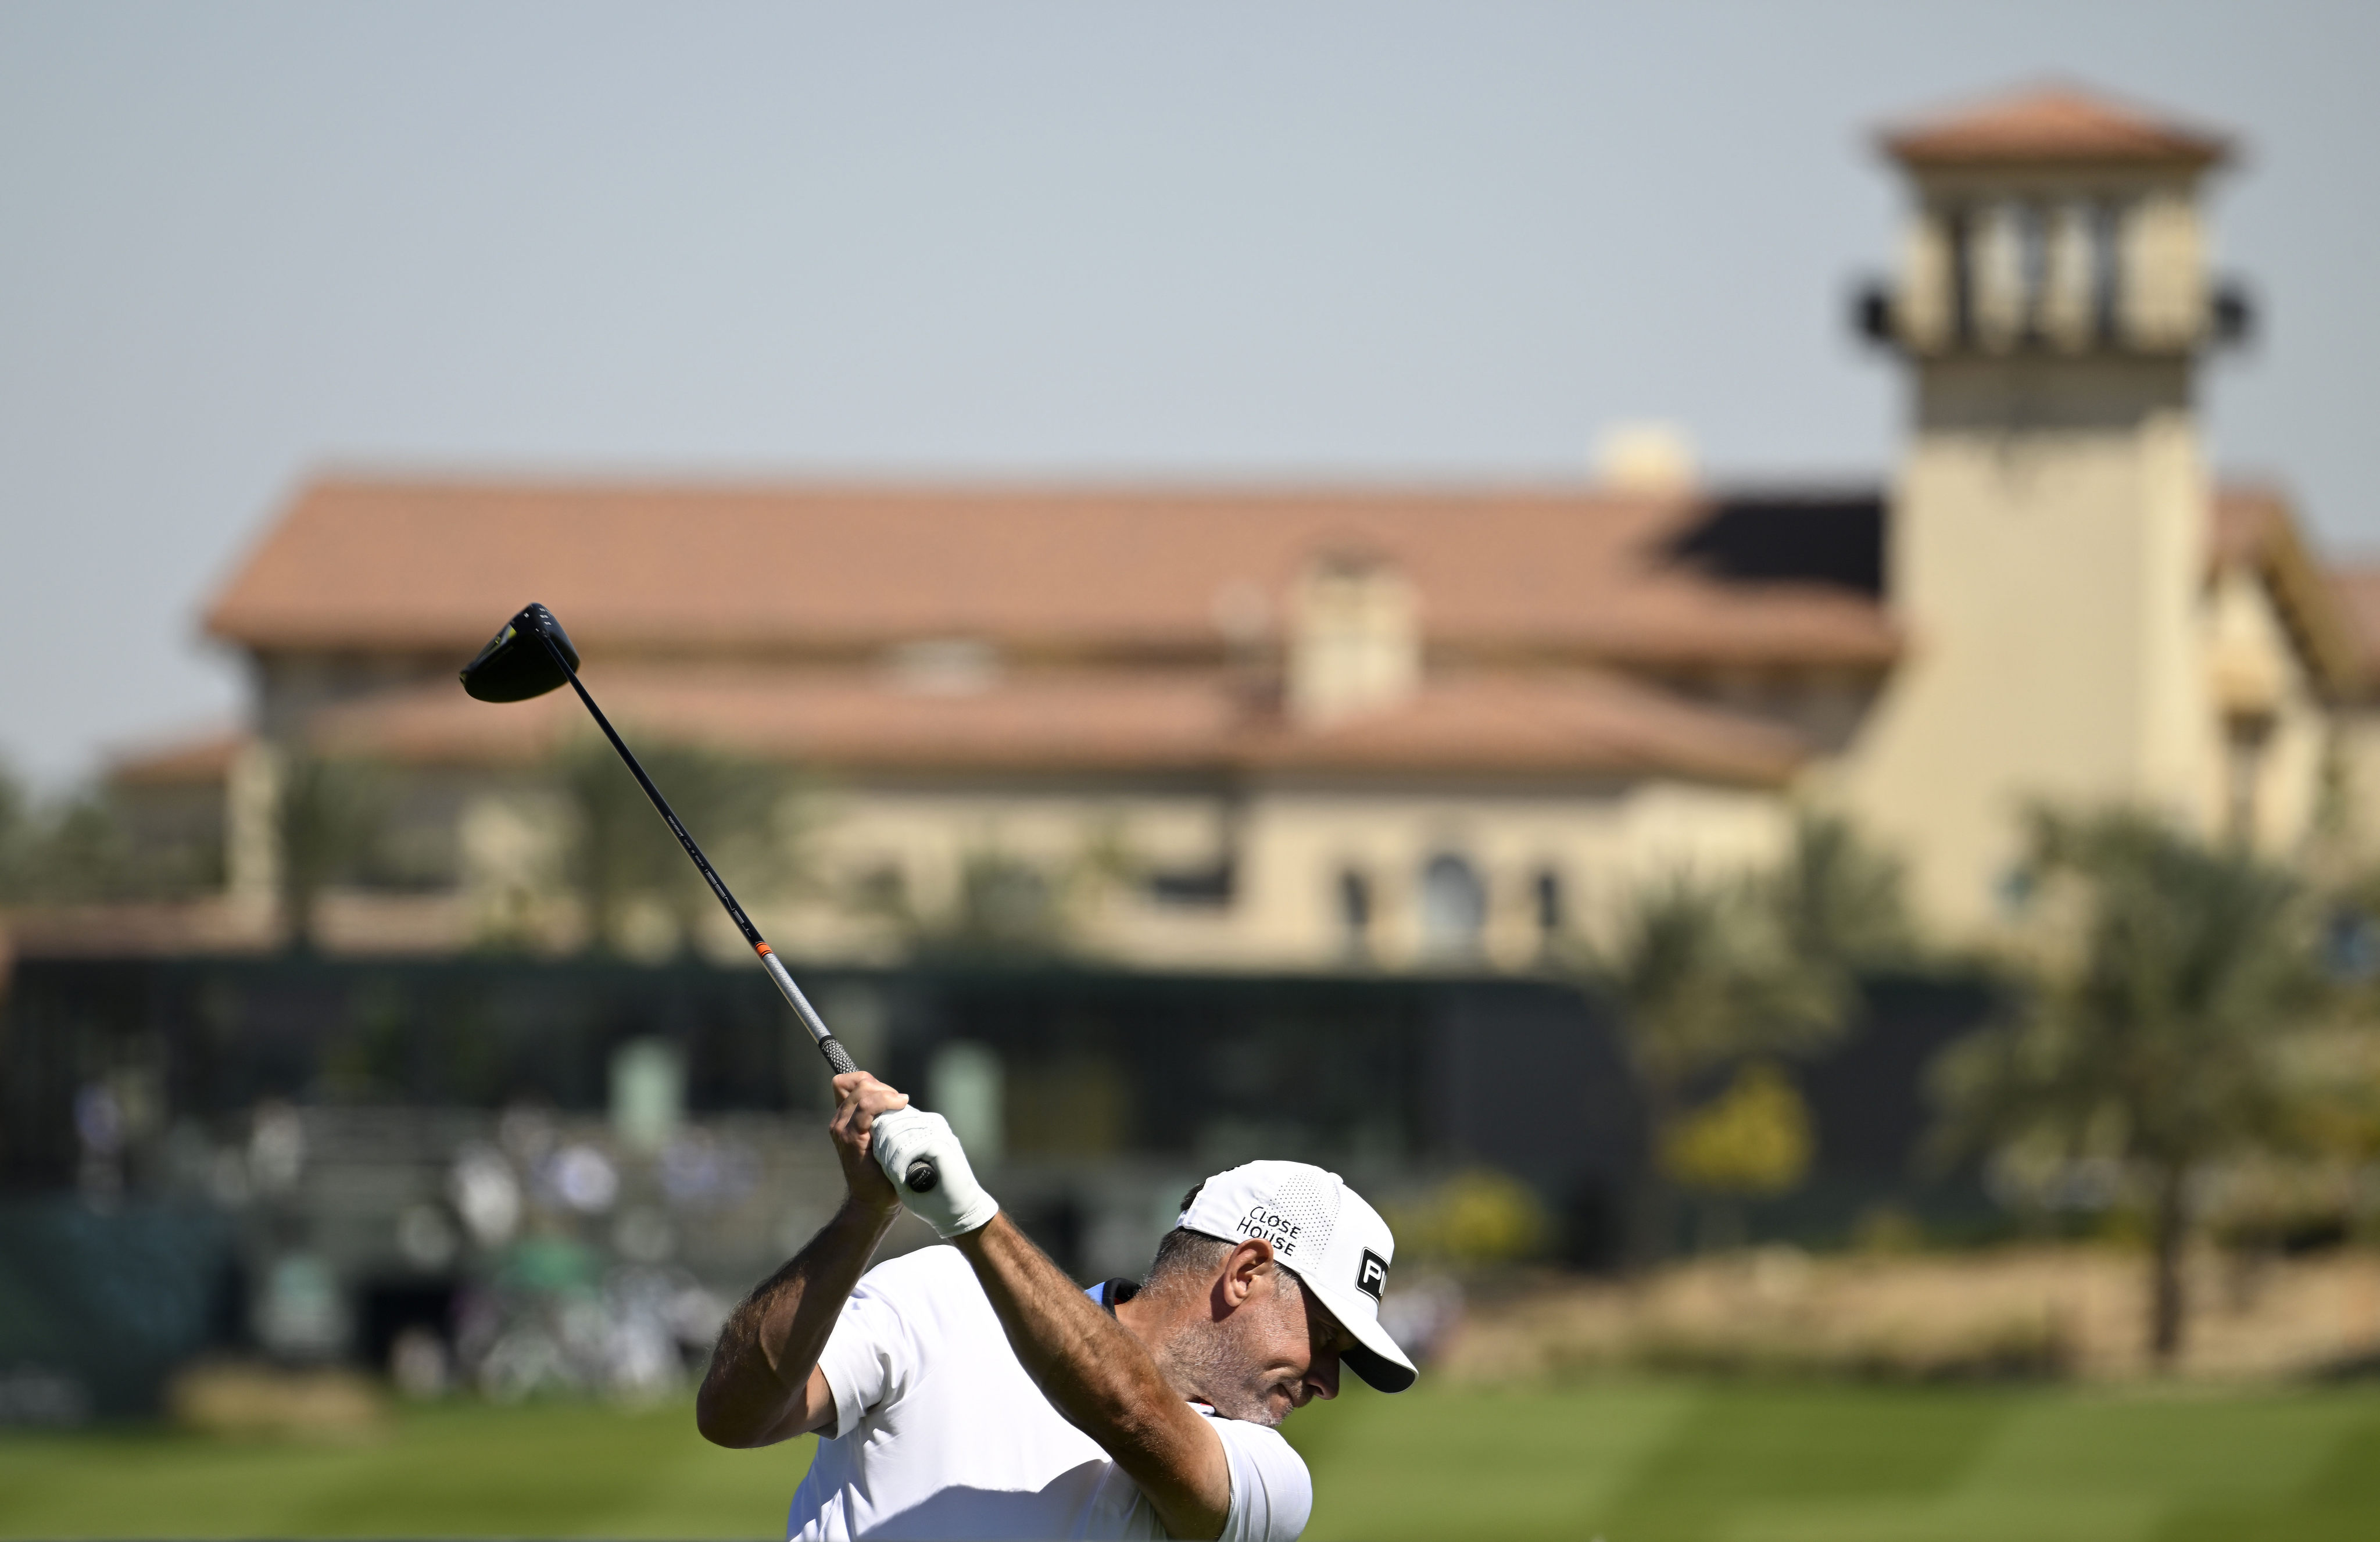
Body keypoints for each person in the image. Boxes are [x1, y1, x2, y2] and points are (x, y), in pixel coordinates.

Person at [696, 1071, 1416, 1541]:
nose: (1328, 1380)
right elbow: (734, 1415)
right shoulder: (945, 1292)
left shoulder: (1269, 1476)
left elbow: (1128, 1410)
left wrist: (971, 1214)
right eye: (1323, 1337)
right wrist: (863, 1213)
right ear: (1246, 1273)